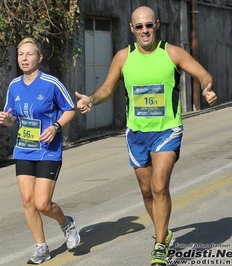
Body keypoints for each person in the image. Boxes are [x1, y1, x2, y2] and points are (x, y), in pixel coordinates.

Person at [75, 6, 217, 266]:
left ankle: (159, 244)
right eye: (139, 26)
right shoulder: (123, 57)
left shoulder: (172, 53)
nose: (144, 31)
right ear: (132, 29)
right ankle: (164, 231)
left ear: (157, 25)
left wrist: (207, 86)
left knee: (159, 186)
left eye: (148, 25)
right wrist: (92, 99)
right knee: (146, 191)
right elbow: (107, 87)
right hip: (136, 134)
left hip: (167, 130)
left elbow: (202, 73)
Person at [0, 37, 80, 264]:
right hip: (24, 149)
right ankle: (41, 247)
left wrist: (55, 126)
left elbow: (70, 109)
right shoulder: (14, 86)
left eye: (29, 54)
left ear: (39, 58)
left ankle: (66, 223)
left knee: (42, 203)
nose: (24, 58)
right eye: (21, 54)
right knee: (27, 200)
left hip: (48, 150)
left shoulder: (51, 83)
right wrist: (6, 119)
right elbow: (12, 118)